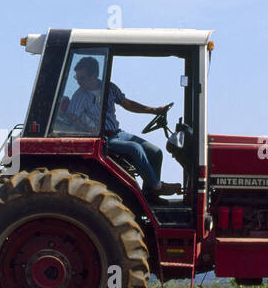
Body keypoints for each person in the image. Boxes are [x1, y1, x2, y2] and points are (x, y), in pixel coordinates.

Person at [66, 56, 182, 198]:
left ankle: (151, 195)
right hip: (103, 139)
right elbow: (72, 116)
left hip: (118, 133)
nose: (79, 81)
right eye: (77, 78)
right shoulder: (80, 95)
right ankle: (158, 187)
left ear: (94, 75)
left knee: (156, 152)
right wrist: (89, 129)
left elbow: (127, 104)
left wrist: (154, 110)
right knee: (135, 148)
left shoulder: (109, 88)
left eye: (82, 78)